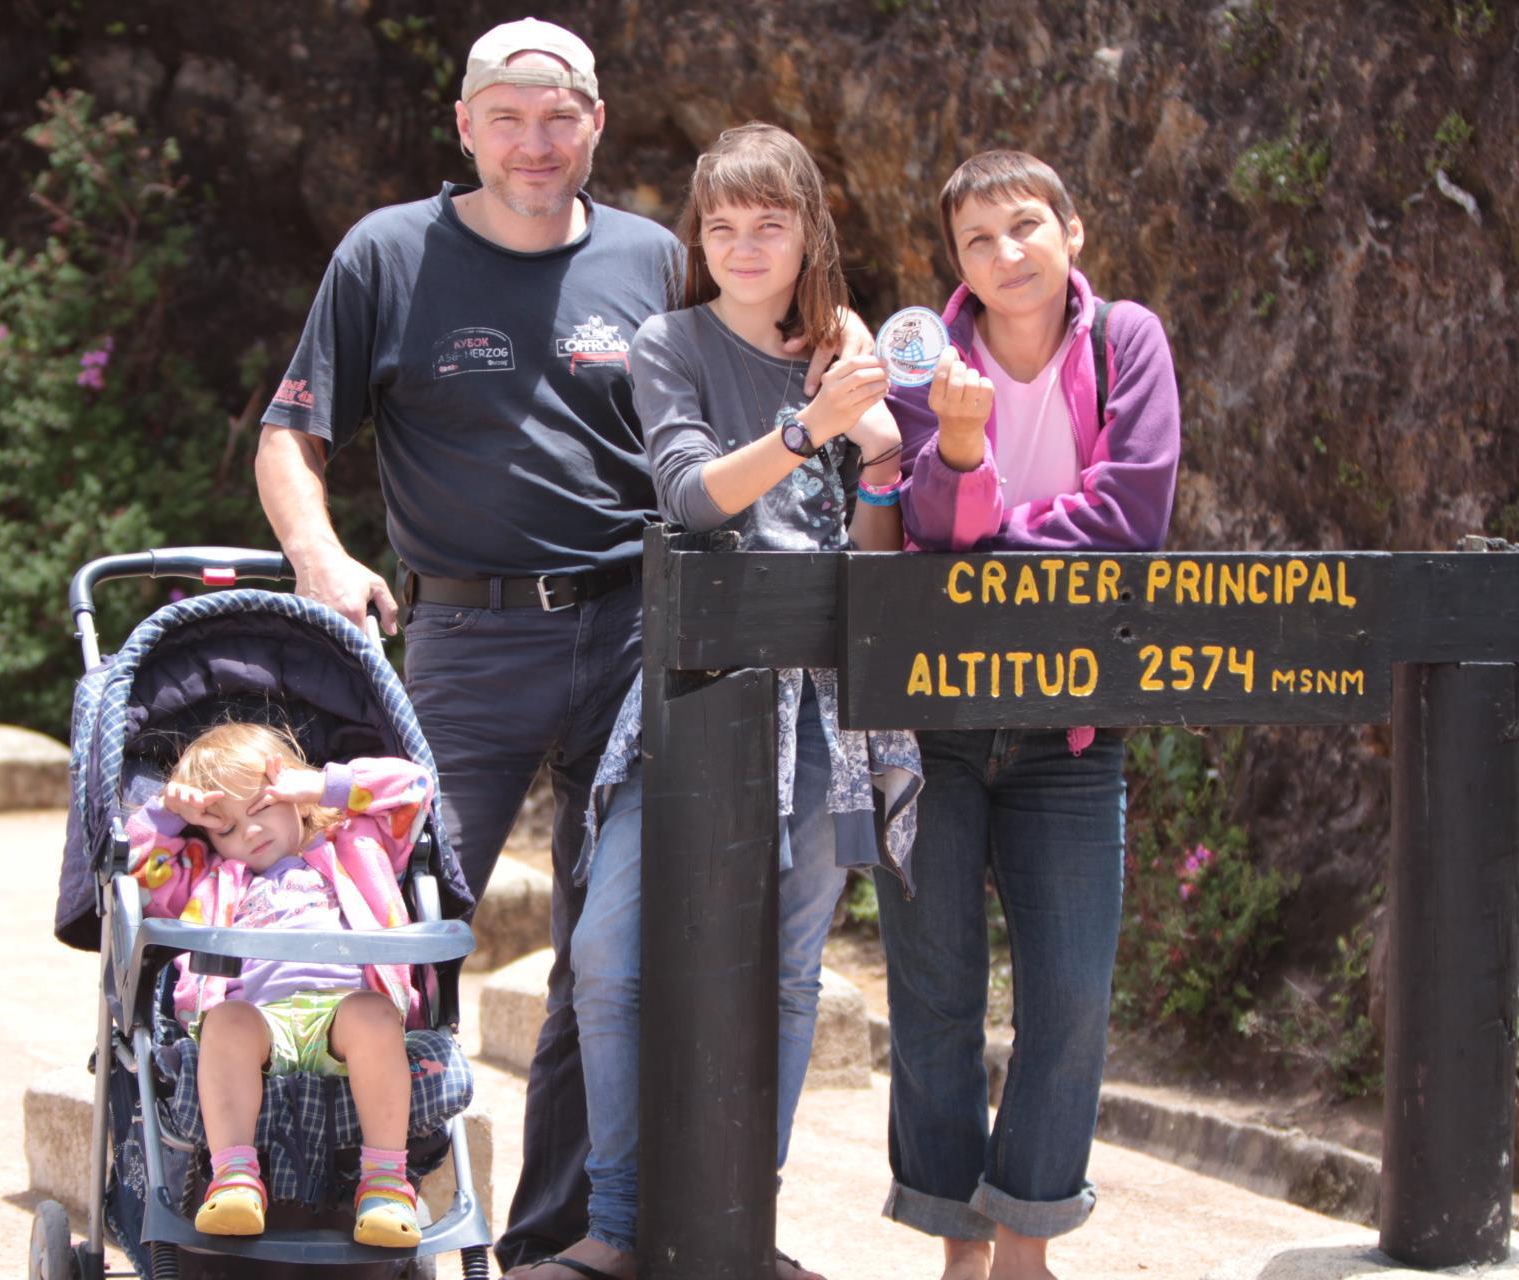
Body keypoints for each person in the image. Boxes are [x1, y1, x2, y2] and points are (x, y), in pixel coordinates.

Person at [252, 19, 873, 1268]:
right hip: (467, 641)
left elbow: (763, 353)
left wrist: (856, 362)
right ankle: (342, 1203)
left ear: (595, 123)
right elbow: (291, 434)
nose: (534, 142)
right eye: (507, 115)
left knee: (616, 951)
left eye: (560, 116)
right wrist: (322, 557)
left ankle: (565, 1237)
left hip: (643, 636)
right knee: (405, 918)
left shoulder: (655, 256)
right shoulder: (387, 253)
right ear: (466, 126)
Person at [512, 123, 923, 1280]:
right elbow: (693, 497)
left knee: (788, 972)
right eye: (723, 226)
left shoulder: (844, 355)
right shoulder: (669, 341)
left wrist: (881, 459)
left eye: (770, 223)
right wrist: (812, 428)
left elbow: (876, 554)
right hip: (691, 696)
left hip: (820, 701)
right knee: (609, 953)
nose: (744, 246)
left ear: (809, 234)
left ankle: (746, 1219)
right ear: (701, 238)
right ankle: (622, 1221)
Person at [877, 150, 1181, 1280]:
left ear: (1072, 231)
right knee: (937, 993)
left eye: (1025, 228)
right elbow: (918, 524)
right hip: (935, 723)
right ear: (953, 263)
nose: (1007, 255)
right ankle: (961, 1249)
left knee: (1070, 996)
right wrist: (957, 454)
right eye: (978, 240)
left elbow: (1133, 511)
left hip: (1071, 729)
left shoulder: (1124, 342)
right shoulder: (921, 356)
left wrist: (983, 527)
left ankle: (1026, 1246)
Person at [125, 723, 434, 1247]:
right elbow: (139, 872)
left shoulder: (357, 842)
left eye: (262, 806)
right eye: (225, 827)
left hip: (343, 1015)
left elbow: (415, 787)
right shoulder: (213, 877)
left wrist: (322, 786)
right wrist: (170, 815)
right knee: (224, 1023)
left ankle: (385, 1183)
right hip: (260, 1022)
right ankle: (236, 1180)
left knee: (375, 1015)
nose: (248, 834)